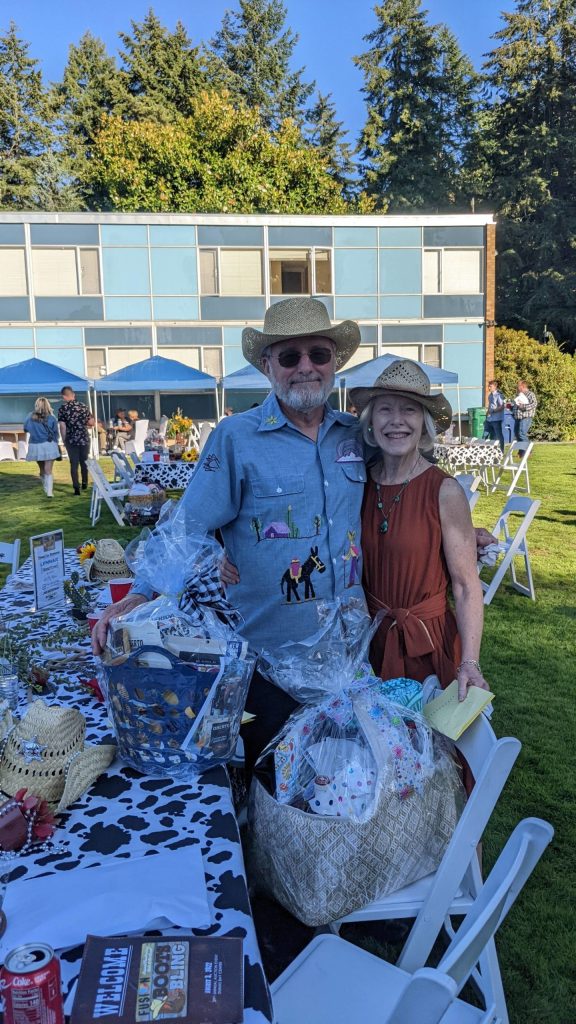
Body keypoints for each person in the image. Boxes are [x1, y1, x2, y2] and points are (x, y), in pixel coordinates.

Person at [93, 298, 494, 772]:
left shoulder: (355, 436)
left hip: (354, 660)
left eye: (318, 354)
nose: (306, 367)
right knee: (274, 792)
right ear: (267, 365)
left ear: (334, 363)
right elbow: (186, 526)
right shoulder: (236, 439)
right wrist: (139, 594)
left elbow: (401, 480)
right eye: (289, 356)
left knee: (349, 787)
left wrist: (458, 530)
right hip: (270, 667)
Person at [349, 360, 489, 695]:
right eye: (385, 409)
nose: (396, 421)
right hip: (369, 644)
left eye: (409, 410)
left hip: (426, 646)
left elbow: (466, 586)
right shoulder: (356, 483)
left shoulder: (444, 490)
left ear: (424, 424)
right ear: (371, 422)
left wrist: (470, 661)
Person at [23, 397, 60, 498]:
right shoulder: (52, 418)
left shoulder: (30, 416)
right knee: (48, 469)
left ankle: (45, 488)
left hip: (35, 445)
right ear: (48, 405)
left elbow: (25, 429)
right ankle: (49, 492)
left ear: (36, 405)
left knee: (42, 469)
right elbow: (56, 433)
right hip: (49, 444)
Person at [57, 386, 90, 495]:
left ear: (64, 397)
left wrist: (64, 439)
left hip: (71, 439)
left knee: (74, 463)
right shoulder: (84, 406)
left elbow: (62, 426)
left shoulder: (63, 408)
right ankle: (85, 482)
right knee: (84, 461)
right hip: (84, 437)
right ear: (73, 394)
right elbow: (91, 422)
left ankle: (76, 488)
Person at [512, 380, 537, 454]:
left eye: (518, 386)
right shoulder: (519, 395)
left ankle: (528, 451)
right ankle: (522, 452)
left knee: (522, 433)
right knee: (517, 434)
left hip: (526, 417)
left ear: (522, 386)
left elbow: (534, 404)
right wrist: (511, 406)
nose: (517, 387)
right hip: (518, 417)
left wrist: (524, 407)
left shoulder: (530, 394)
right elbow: (517, 405)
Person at [484, 379, 505, 451]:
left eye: (490, 386)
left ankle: (501, 451)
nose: (489, 388)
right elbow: (490, 406)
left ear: (495, 387)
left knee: (498, 436)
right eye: (488, 386)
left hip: (497, 419)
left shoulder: (499, 395)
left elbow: (502, 406)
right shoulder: (490, 396)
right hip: (489, 419)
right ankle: (488, 451)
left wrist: (493, 411)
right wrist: (487, 414)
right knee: (485, 435)